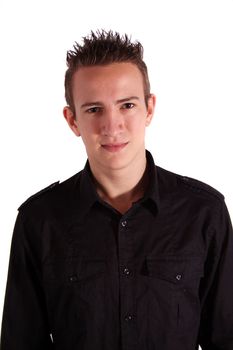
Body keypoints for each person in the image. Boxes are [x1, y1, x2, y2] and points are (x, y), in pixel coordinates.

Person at [0, 30, 233, 350]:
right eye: (94, 109)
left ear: (149, 109)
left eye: (127, 105)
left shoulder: (204, 212)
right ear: (72, 120)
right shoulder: (39, 220)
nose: (113, 126)